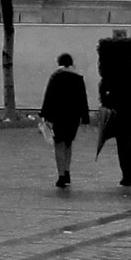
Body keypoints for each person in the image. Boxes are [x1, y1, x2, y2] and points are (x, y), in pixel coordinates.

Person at [39, 52, 90, 188]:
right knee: (68, 143)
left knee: (59, 144)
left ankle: (61, 175)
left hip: (58, 115)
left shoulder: (55, 77)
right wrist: (85, 117)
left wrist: (44, 115)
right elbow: (82, 98)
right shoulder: (78, 78)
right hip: (73, 117)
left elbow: (48, 96)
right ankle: (67, 170)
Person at [97, 53, 131, 187]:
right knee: (127, 145)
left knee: (123, 145)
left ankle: (127, 174)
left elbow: (106, 97)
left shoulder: (114, 79)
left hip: (120, 116)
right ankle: (129, 174)